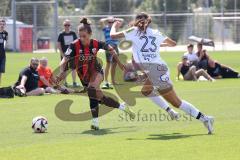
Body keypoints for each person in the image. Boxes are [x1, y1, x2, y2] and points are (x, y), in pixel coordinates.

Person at [110, 12, 214, 134]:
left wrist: (114, 25)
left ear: (136, 21)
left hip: (156, 71)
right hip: (159, 69)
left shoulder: (133, 31)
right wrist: (159, 43)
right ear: (148, 22)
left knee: (177, 102)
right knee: (146, 91)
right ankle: (174, 112)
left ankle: (205, 119)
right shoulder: (155, 33)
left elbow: (112, 36)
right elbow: (173, 43)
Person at [56, 17, 135, 130]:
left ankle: (95, 123)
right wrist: (61, 72)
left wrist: (119, 62)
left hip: (97, 71)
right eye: (80, 36)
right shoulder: (74, 45)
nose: (82, 38)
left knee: (91, 89)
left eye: (84, 36)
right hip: (83, 76)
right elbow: (65, 59)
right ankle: (122, 107)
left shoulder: (96, 43)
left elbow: (111, 49)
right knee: (99, 97)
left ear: (90, 34)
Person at [99, 16, 124, 89]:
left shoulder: (115, 29)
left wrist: (114, 19)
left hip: (115, 47)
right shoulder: (105, 28)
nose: (110, 23)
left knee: (114, 64)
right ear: (107, 22)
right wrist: (108, 19)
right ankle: (106, 81)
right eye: (109, 22)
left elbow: (122, 20)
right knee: (108, 63)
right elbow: (101, 21)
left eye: (112, 22)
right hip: (108, 47)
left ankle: (113, 81)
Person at [57, 19, 79, 87]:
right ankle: (65, 82)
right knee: (64, 69)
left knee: (73, 68)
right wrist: (62, 53)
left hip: (72, 54)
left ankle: (74, 82)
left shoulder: (73, 33)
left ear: (70, 25)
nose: (67, 26)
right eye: (65, 25)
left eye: (68, 25)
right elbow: (59, 44)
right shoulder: (61, 34)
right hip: (64, 54)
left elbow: (76, 43)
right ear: (63, 26)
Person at [0, 19, 8, 86]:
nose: (2, 26)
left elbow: (5, 42)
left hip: (2, 55)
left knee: (0, 71)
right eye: (0, 24)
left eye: (3, 24)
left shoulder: (5, 33)